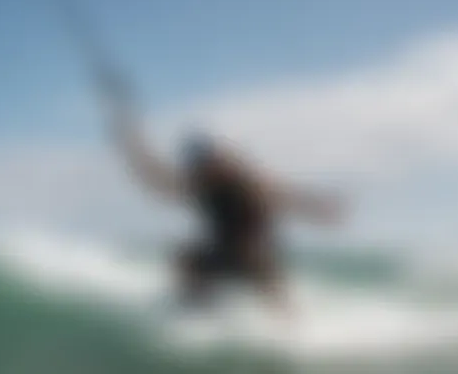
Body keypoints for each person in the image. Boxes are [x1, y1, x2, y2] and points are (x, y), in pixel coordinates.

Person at [103, 73, 346, 315]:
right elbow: (154, 176)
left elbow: (280, 195)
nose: (204, 169)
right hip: (223, 248)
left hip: (254, 250)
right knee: (185, 259)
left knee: (256, 263)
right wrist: (127, 133)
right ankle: (196, 313)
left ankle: (291, 327)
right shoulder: (198, 183)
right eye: (198, 165)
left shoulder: (240, 179)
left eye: (207, 162)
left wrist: (319, 208)